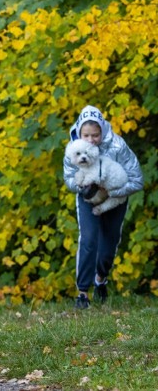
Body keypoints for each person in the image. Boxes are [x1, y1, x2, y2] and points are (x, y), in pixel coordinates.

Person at [63, 105, 143, 309]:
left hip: (115, 196)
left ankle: (101, 279)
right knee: (88, 240)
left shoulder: (118, 145)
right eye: (86, 135)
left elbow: (137, 180)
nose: (91, 140)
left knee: (108, 246)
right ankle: (82, 293)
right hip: (87, 198)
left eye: (96, 135)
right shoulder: (72, 148)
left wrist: (111, 192)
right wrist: (84, 188)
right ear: (80, 132)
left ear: (102, 131)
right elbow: (70, 180)